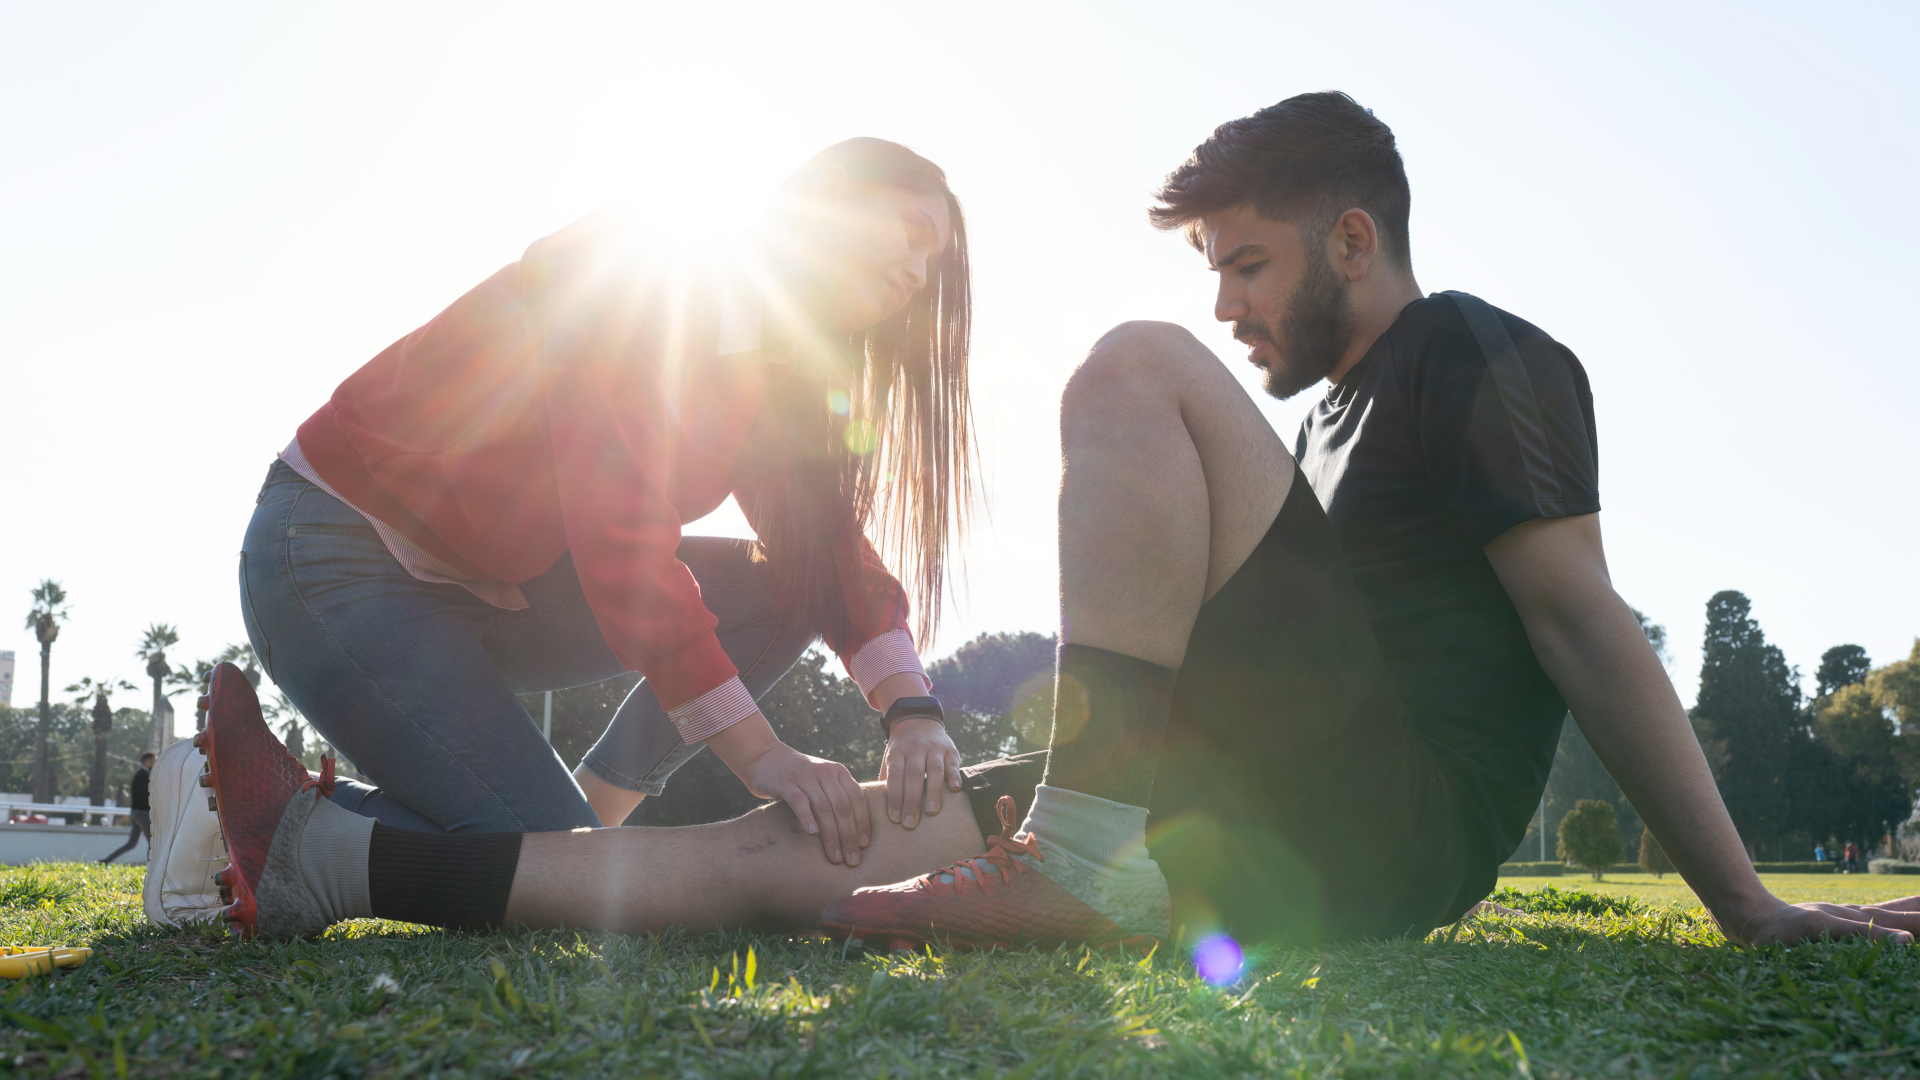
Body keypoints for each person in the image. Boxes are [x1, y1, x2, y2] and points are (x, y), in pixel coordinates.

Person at [816, 92, 1920, 950]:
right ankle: (642, 869)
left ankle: (1077, 856)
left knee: (1135, 363)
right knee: (812, 846)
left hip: (1398, 831)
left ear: (1352, 240)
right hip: (1265, 805)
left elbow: (1579, 617)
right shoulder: (1316, 433)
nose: (1225, 304)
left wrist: (1746, 902)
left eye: (1246, 263)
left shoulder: (1472, 351)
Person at [231, 137, 974, 863]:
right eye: (912, 235)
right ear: (834, 192)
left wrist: (913, 714)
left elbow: (828, 550)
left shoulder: (775, 371)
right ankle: (235, 809)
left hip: (501, 597)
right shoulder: (643, 265)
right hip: (339, 556)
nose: (915, 274)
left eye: (929, 264)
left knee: (787, 588)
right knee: (551, 866)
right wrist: (763, 757)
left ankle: (591, 830)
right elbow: (621, 531)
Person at [100, 752, 155, 865]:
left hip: (136, 814)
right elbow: (144, 796)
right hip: (142, 813)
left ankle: (106, 861)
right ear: (147, 762)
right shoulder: (143, 776)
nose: (155, 763)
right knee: (153, 842)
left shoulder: (140, 775)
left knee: (131, 844)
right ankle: (152, 868)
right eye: (154, 760)